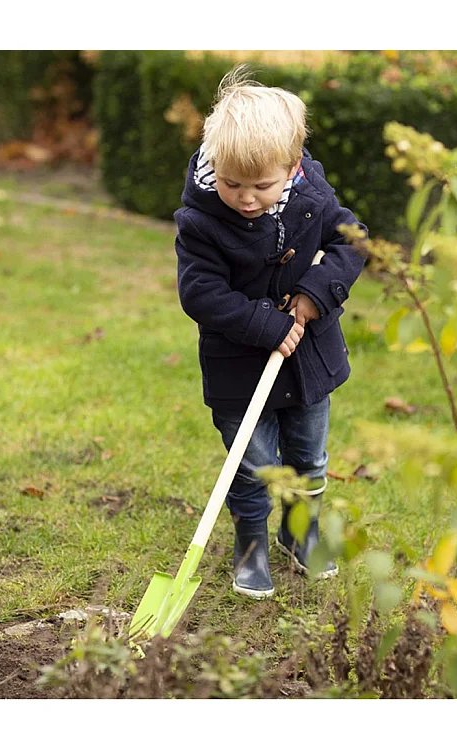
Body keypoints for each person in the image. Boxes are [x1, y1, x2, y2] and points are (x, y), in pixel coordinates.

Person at [174, 65, 367, 599]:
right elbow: (201, 294)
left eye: (262, 185)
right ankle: (252, 546)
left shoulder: (312, 197)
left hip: (308, 363)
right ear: (216, 164)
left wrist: (315, 292)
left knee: (309, 458)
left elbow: (353, 242)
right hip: (239, 368)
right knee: (252, 465)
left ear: (292, 166)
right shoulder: (202, 222)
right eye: (233, 183)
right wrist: (268, 323)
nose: (246, 197)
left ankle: (300, 534)